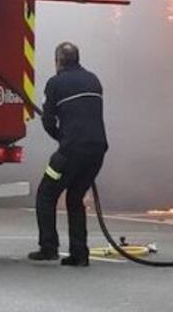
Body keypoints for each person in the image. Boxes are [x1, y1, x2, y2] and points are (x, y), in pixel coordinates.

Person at [28, 42, 109, 266]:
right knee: (75, 197)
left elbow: (47, 121)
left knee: (46, 193)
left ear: (58, 62)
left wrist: (61, 138)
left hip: (70, 151)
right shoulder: (94, 80)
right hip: (97, 151)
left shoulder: (55, 83)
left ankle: (48, 247)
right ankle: (79, 253)